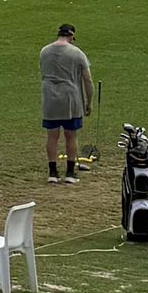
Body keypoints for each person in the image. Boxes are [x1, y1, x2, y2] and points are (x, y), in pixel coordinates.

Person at [39, 22, 95, 183]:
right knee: (71, 135)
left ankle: (52, 172)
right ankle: (70, 172)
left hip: (50, 98)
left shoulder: (45, 51)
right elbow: (88, 80)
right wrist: (88, 102)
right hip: (70, 99)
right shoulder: (77, 53)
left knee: (52, 135)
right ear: (71, 36)